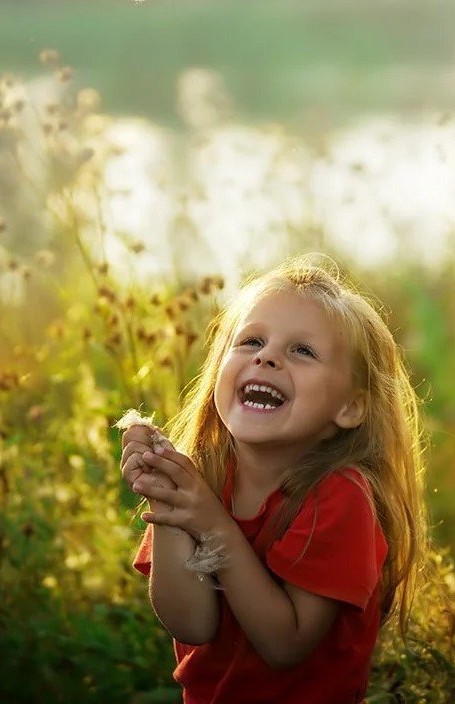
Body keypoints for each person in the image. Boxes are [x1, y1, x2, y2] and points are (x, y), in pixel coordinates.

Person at [119, 253, 428, 703]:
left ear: (351, 407)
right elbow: (191, 625)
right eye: (250, 341)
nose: (266, 358)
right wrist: (167, 505)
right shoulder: (205, 475)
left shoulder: (341, 497)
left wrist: (211, 525)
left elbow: (286, 644)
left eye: (302, 351)